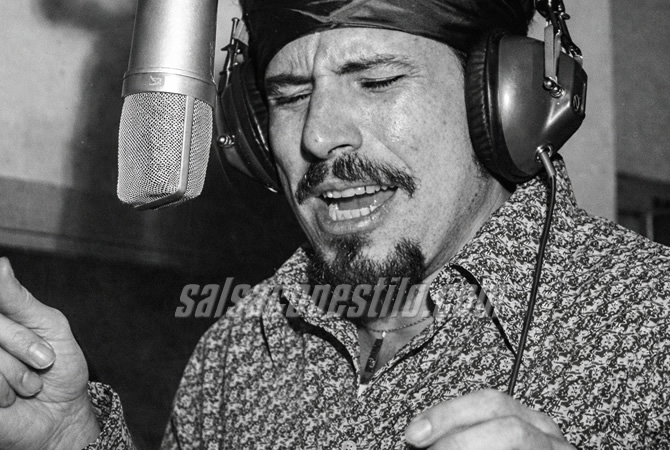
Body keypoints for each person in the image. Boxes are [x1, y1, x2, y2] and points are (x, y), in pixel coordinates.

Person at [0, 0, 669, 449]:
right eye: (291, 96)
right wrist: (70, 439)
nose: (318, 136)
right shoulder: (238, 351)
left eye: (375, 82)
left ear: (503, 102)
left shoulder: (653, 323)